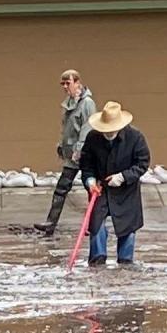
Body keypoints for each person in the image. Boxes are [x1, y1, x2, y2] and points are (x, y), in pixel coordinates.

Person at [81, 101, 151, 267]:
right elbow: (86, 164)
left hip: (126, 190)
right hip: (100, 188)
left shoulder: (136, 138)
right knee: (96, 224)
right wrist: (90, 181)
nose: (109, 132)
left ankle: (125, 262)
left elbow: (143, 164)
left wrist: (123, 177)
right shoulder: (93, 138)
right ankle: (97, 260)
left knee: (127, 226)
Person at [33, 69, 97, 237]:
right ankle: (50, 223)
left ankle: (93, 224)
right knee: (62, 188)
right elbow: (67, 128)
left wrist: (79, 148)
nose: (65, 87)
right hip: (71, 154)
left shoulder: (87, 103)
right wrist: (62, 145)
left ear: (77, 82)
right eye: (63, 84)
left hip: (85, 153)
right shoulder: (69, 102)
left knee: (91, 187)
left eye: (67, 83)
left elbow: (87, 127)